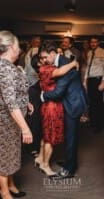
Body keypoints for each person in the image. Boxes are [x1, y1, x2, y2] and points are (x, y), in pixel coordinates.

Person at [0, 30, 33, 199]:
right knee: (4, 155)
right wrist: (26, 129)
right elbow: (9, 102)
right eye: (17, 46)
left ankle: (11, 185)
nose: (19, 50)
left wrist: (26, 101)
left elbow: (13, 92)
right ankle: (4, 192)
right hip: (5, 120)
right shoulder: (4, 68)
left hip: (11, 119)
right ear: (9, 47)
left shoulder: (6, 64)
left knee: (12, 153)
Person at [40, 40, 88, 179]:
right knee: (70, 136)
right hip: (70, 100)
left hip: (72, 103)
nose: (44, 60)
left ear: (53, 53)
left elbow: (58, 92)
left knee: (71, 137)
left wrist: (43, 95)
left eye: (45, 57)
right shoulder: (62, 63)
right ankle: (70, 161)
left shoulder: (66, 64)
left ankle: (69, 169)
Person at [32, 55, 79, 178]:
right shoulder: (45, 70)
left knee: (46, 135)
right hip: (52, 107)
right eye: (42, 59)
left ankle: (40, 158)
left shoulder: (43, 69)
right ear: (39, 64)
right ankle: (45, 165)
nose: (45, 60)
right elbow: (60, 71)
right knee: (50, 138)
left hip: (48, 105)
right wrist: (73, 63)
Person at [83, 36, 104, 133]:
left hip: (98, 80)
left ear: (98, 43)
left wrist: (103, 82)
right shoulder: (90, 53)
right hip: (90, 80)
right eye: (91, 42)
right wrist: (85, 80)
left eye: (95, 42)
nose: (93, 44)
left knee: (98, 104)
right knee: (91, 103)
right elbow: (87, 67)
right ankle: (92, 123)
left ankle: (99, 126)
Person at [24, 36, 43, 158]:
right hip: (33, 90)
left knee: (39, 119)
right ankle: (32, 147)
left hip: (39, 90)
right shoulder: (32, 54)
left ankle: (36, 145)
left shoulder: (36, 54)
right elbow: (30, 74)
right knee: (34, 119)